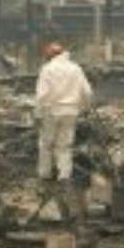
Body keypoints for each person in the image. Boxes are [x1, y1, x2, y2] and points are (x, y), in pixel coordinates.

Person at [35, 41, 92, 183]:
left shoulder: (47, 69)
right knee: (65, 144)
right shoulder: (76, 68)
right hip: (71, 111)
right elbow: (87, 91)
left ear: (50, 55)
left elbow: (41, 94)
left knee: (46, 144)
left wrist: (37, 113)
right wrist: (85, 108)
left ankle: (45, 174)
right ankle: (64, 175)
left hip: (51, 110)